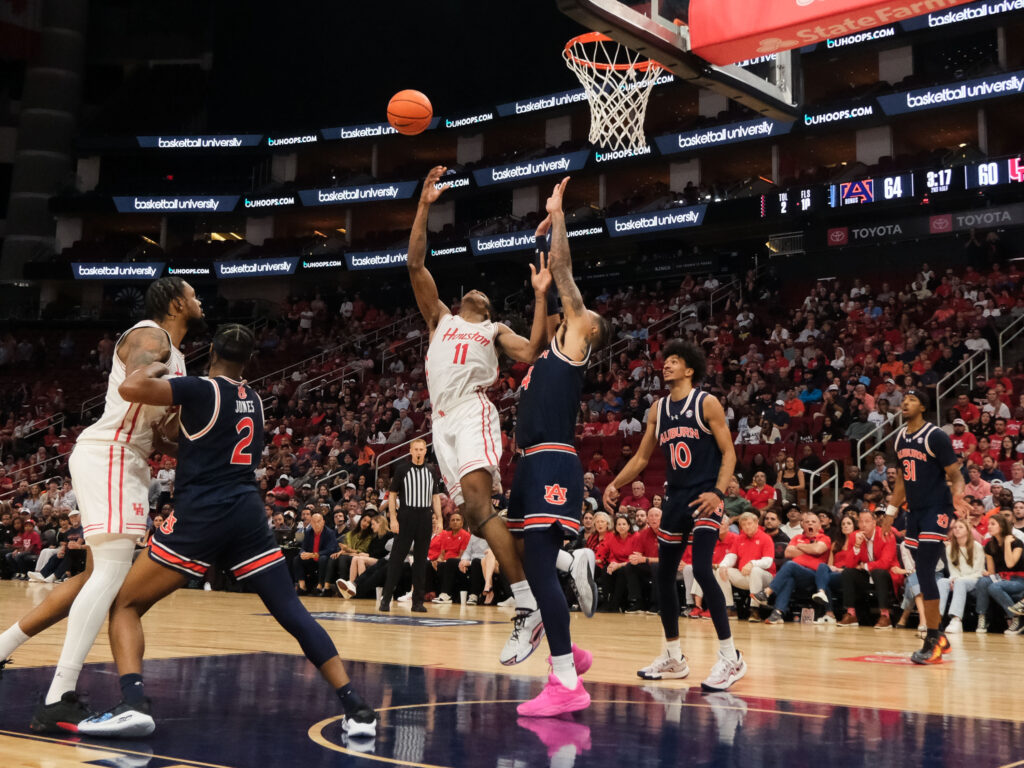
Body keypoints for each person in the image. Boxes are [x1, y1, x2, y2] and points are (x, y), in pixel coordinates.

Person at [72, 325, 377, 738]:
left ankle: (133, 702)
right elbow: (209, 445)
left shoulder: (198, 388)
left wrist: (163, 362)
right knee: (292, 612)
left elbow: (131, 387)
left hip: (202, 513)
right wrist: (172, 443)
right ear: (247, 362)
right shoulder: (253, 399)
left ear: (211, 349)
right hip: (247, 514)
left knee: (124, 604)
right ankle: (356, 707)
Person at [0, 277, 197, 733]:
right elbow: (134, 382)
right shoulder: (152, 335)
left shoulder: (180, 356)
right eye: (193, 294)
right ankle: (59, 696)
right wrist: (168, 384)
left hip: (129, 458)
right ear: (175, 303)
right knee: (110, 575)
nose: (199, 300)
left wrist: (201, 437)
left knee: (94, 576)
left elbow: (163, 434)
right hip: (112, 454)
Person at [407, 165, 554, 666]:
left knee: (477, 500)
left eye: (486, 298)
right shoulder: (440, 319)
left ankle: (528, 607)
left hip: (472, 412)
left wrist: (539, 297)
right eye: (475, 293)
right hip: (440, 421)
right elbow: (415, 264)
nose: (478, 296)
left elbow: (534, 351)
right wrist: (424, 204)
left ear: (488, 309)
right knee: (471, 516)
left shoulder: (493, 331)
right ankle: (547, 557)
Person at [506, 178, 608, 716]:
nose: (576, 312)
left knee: (538, 572)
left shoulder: (575, 346)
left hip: (551, 459)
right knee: (526, 561)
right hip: (529, 462)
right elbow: (553, 282)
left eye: (580, 315)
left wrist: (558, 214)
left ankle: (565, 681)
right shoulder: (548, 354)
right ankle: (572, 569)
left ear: (588, 334)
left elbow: (567, 275)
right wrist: (541, 261)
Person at [602, 340, 745, 692]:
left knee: (699, 570)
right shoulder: (658, 409)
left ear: (690, 369)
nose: (666, 366)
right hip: (675, 498)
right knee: (664, 574)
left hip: (705, 497)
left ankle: (731, 657)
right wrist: (614, 484)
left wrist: (718, 491)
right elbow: (640, 458)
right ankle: (674, 656)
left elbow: (729, 454)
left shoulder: (706, 403)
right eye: (665, 361)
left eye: (675, 361)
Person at [886, 387, 970, 663]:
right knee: (920, 573)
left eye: (912, 400)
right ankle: (938, 636)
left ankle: (934, 636)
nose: (905, 403)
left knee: (924, 569)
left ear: (923, 407)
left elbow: (956, 474)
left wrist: (957, 494)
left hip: (938, 509)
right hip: (915, 512)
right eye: (904, 400)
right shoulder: (899, 437)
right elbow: (900, 480)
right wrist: (890, 511)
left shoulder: (936, 436)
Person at [379, 438, 442, 613]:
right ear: (410, 451)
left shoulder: (431, 470)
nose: (419, 452)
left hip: (424, 517)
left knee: (421, 561)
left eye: (422, 449)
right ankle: (385, 599)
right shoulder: (402, 469)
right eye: (416, 449)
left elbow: (435, 496)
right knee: (396, 559)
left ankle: (417, 602)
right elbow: (392, 495)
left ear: (425, 451)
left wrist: (440, 518)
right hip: (406, 516)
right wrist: (393, 518)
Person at [753, 510, 831, 624]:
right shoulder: (797, 537)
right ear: (802, 525)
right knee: (789, 578)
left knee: (790, 565)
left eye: (813, 522)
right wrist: (810, 549)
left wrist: (800, 546)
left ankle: (767, 592)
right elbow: (788, 553)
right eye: (807, 522)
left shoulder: (824, 538)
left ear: (819, 525)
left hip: (814, 576)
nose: (810, 524)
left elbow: (818, 549)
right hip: (797, 576)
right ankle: (778, 613)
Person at [835, 509, 899, 628]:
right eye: (861, 521)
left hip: (887, 575)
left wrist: (864, 566)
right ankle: (851, 614)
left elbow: (885, 563)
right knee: (848, 572)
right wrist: (857, 545)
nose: (863, 524)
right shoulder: (855, 536)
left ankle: (885, 616)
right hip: (867, 576)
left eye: (867, 521)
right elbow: (848, 564)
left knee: (878, 572)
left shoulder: (886, 534)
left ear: (874, 523)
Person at [714, 512, 774, 612]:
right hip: (745, 575)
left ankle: (755, 609)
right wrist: (723, 566)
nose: (747, 527)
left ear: (756, 523)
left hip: (765, 577)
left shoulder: (766, 538)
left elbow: (768, 561)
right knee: (720, 570)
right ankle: (729, 607)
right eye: (743, 525)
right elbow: (731, 557)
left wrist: (752, 564)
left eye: (749, 524)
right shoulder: (739, 539)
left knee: (755, 570)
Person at [939, 519, 985, 634]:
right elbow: (952, 569)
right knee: (942, 582)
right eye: (955, 528)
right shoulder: (950, 547)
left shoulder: (977, 546)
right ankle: (936, 617)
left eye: (960, 527)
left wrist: (959, 579)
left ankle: (956, 620)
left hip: (974, 579)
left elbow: (978, 571)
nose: (957, 529)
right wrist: (953, 578)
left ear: (967, 530)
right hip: (958, 579)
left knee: (960, 583)